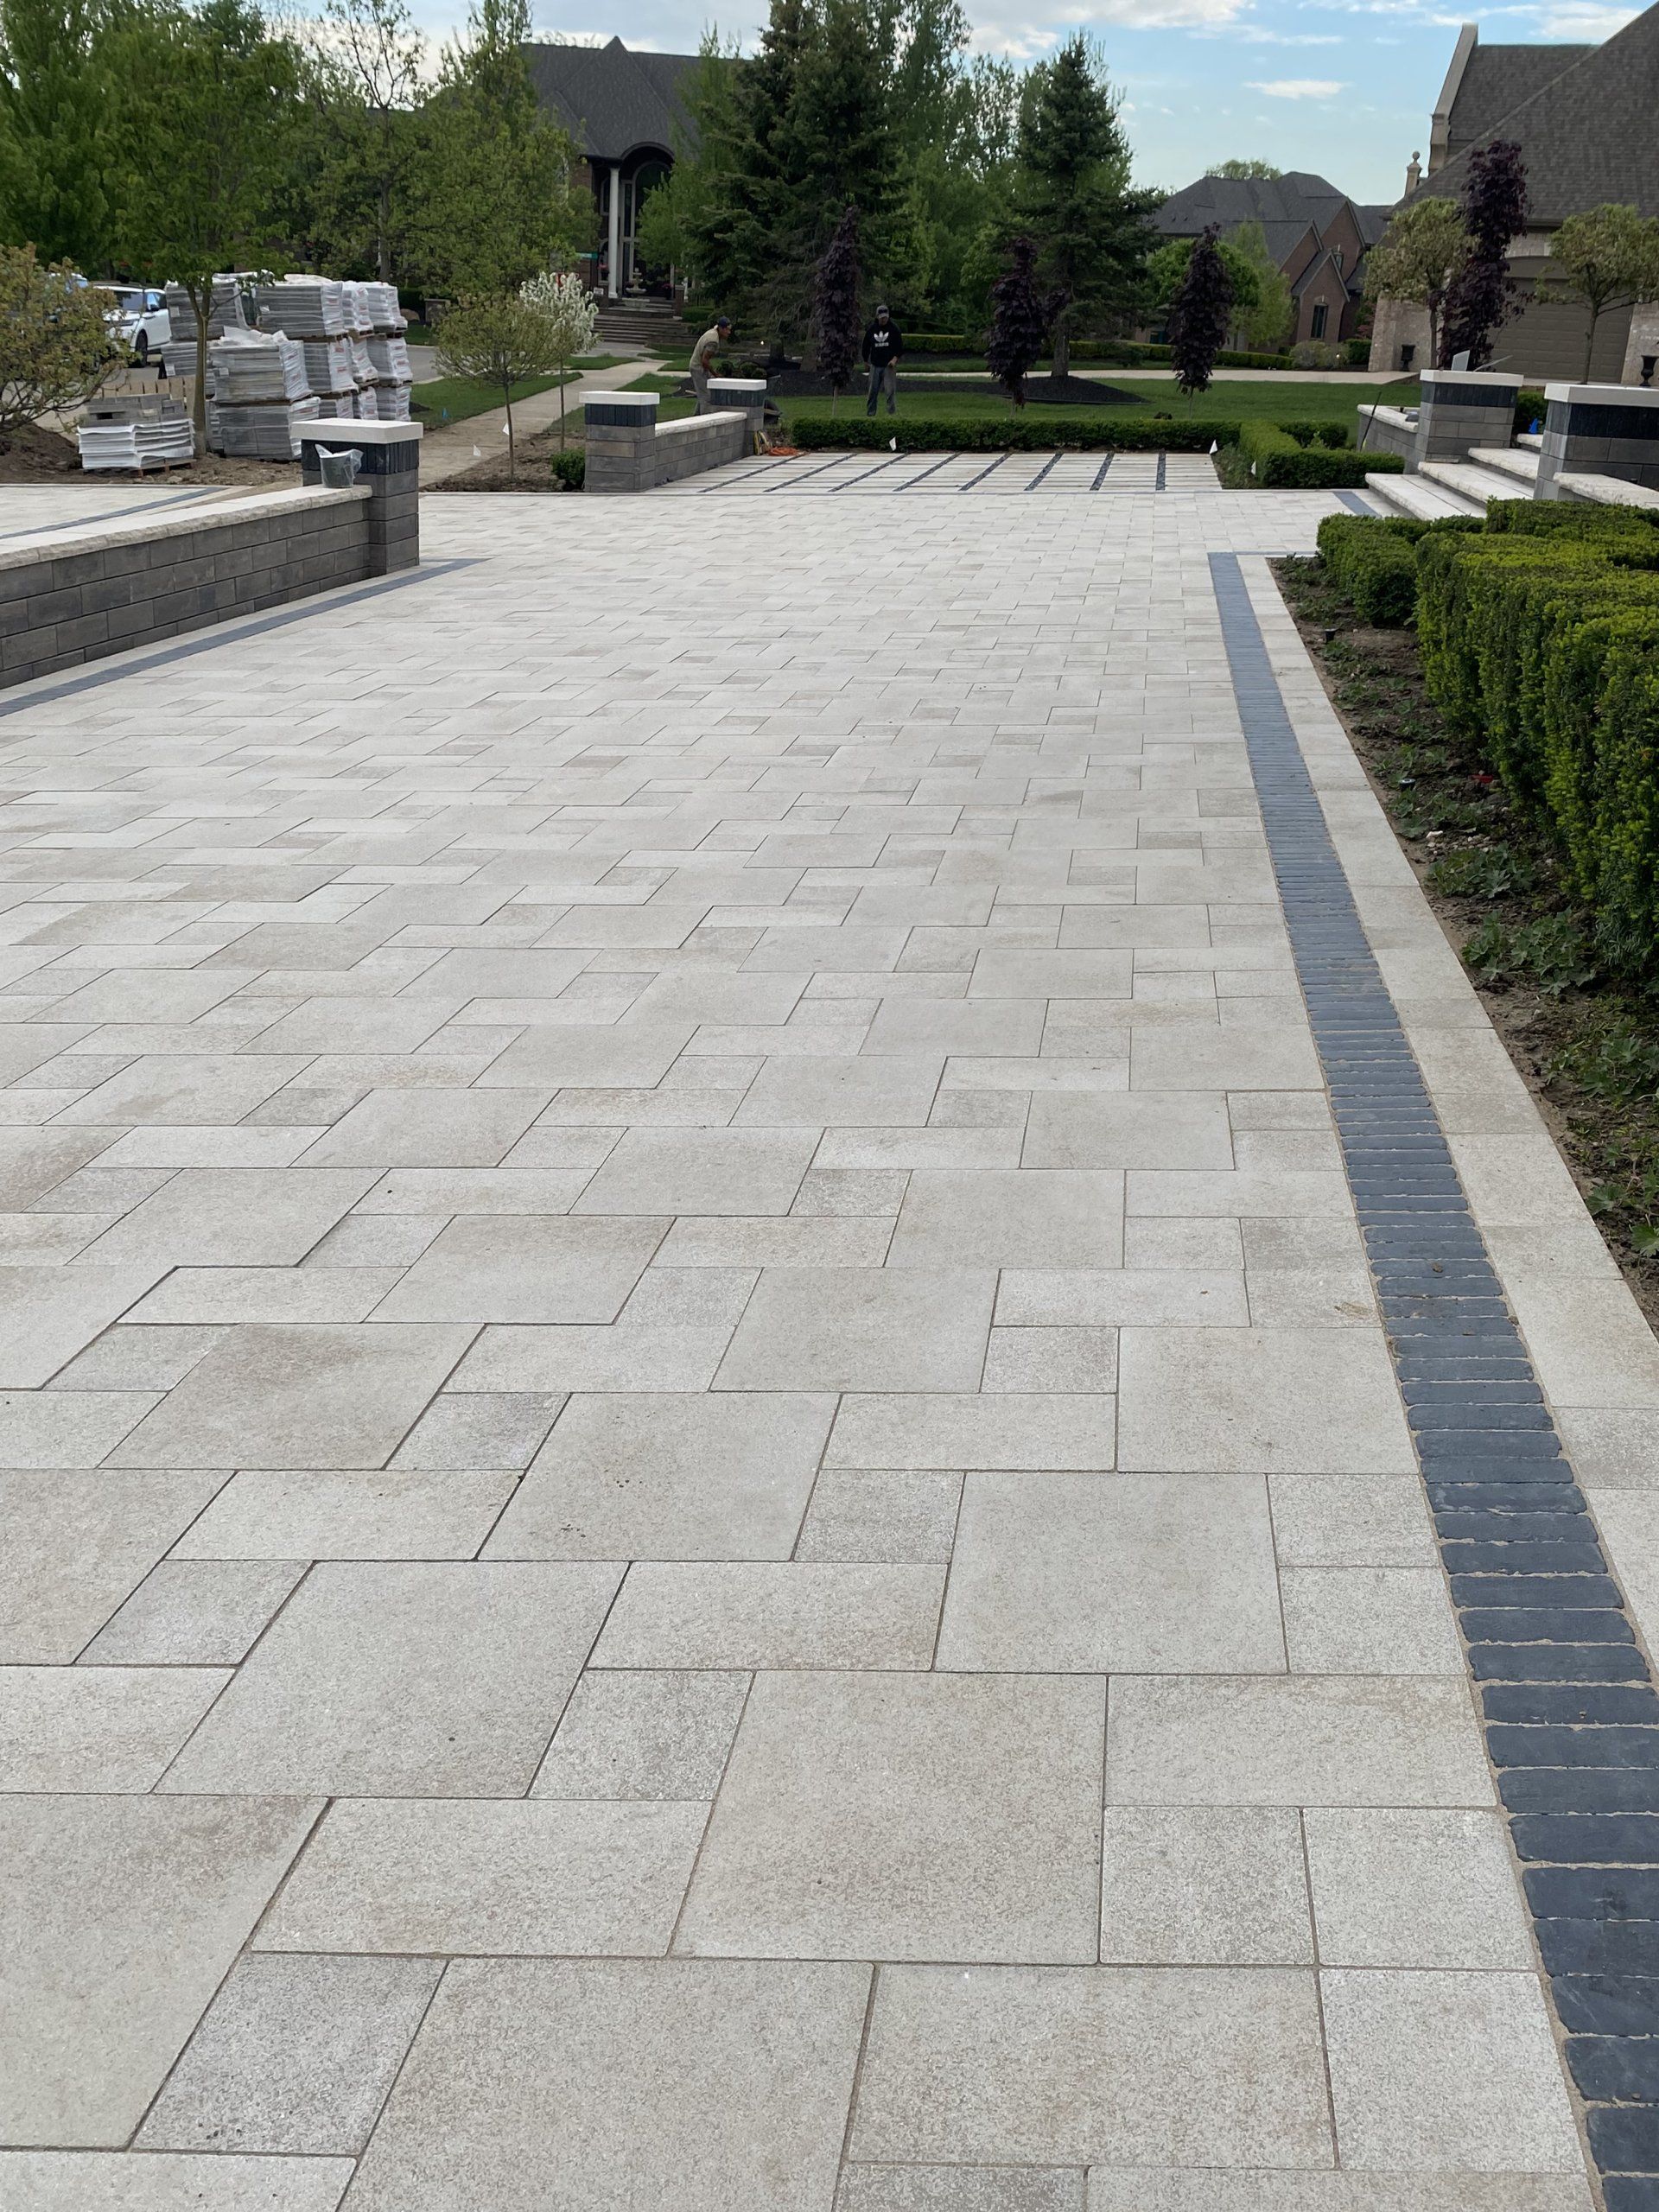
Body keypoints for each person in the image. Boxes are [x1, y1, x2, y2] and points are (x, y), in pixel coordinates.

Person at [862, 307, 903, 416]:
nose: (883, 320)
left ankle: (891, 414)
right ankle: (870, 413)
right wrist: (866, 361)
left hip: (888, 365)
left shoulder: (894, 329)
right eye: (881, 318)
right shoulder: (872, 329)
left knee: (890, 391)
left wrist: (894, 359)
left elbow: (899, 347)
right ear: (877, 317)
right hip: (875, 365)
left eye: (885, 318)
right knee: (872, 392)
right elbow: (866, 346)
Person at [690, 315, 731, 414]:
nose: (729, 332)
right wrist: (715, 374)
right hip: (698, 368)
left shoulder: (713, 332)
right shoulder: (713, 341)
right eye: (726, 329)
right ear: (720, 328)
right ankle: (704, 422)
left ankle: (695, 419)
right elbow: (705, 361)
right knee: (706, 398)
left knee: (702, 395)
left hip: (698, 367)